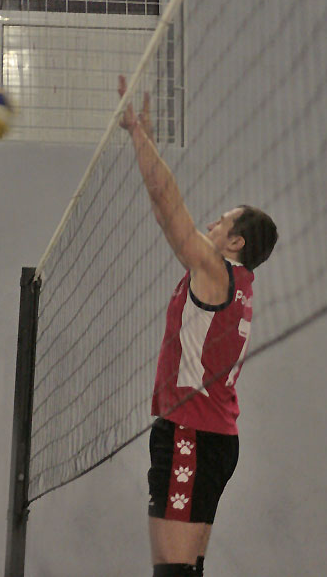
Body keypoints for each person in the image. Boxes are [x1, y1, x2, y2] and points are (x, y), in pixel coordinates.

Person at [118, 76, 278, 577]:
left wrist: (138, 136)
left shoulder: (216, 272)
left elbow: (167, 202)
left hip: (191, 432)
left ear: (235, 243)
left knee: (173, 572)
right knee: (185, 570)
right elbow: (169, 214)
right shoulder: (236, 282)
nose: (209, 224)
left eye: (220, 222)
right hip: (212, 436)